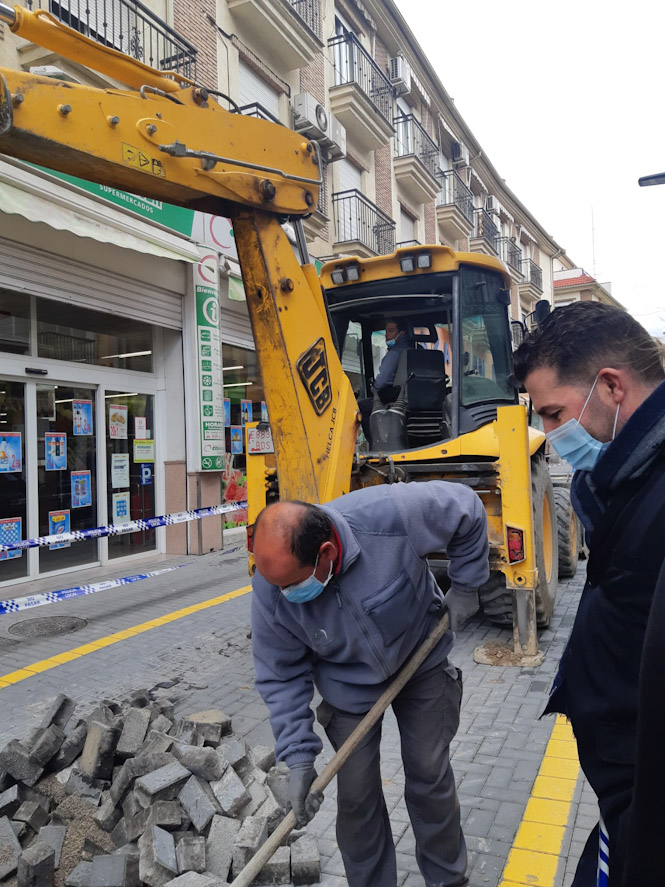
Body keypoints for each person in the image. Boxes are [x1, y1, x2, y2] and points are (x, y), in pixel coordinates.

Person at [251, 481, 490, 887]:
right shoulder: (272, 591)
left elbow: (466, 507)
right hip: (348, 687)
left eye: (292, 585)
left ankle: (448, 879)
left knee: (429, 775)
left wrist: (466, 585)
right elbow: (281, 674)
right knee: (357, 798)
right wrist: (299, 757)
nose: (284, 594)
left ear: (326, 554)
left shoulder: (388, 515)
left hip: (422, 660)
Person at [512, 301, 665, 887]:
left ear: (610, 387)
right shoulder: (625, 484)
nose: (549, 437)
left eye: (553, 414)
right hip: (621, 797)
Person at [358, 318, 412, 440]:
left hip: (400, 400)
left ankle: (376, 443)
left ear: (402, 333)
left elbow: (381, 383)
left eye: (391, 330)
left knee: (362, 406)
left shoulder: (395, 353)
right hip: (424, 401)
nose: (386, 335)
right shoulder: (419, 351)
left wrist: (374, 389)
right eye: (386, 331)